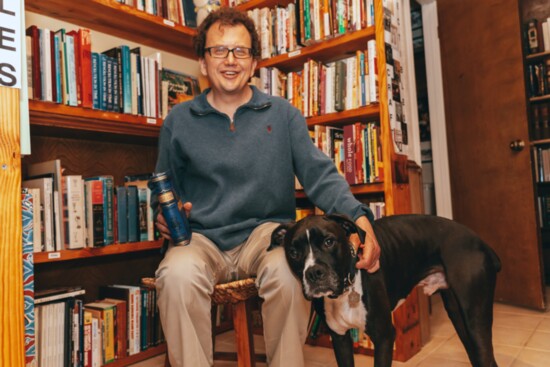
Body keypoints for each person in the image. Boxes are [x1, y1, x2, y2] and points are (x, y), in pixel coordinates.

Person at [153, 7, 381, 367]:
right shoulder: (178, 121)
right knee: (175, 275)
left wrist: (360, 218)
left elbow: (320, 174)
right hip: (201, 239)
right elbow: (164, 189)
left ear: (254, 62)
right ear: (202, 61)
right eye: (219, 50)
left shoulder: (282, 114)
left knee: (289, 274)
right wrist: (164, 217)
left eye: (240, 51)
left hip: (268, 235)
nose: (230, 60)